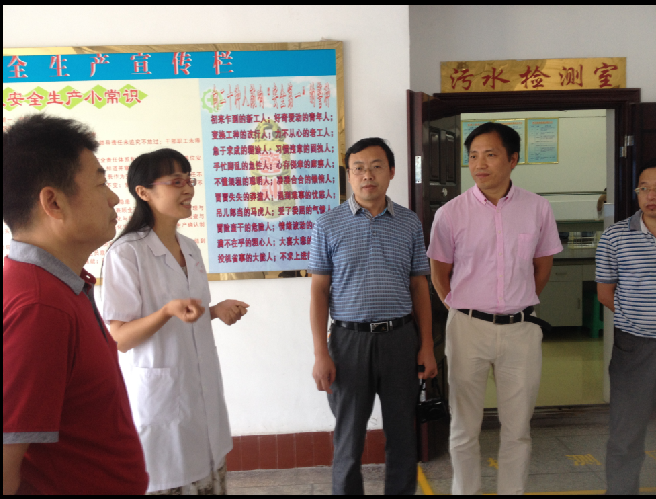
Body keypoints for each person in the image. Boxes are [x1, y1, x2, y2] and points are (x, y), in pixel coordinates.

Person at [3, 115, 148, 495]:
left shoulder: (57, 287)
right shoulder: (40, 308)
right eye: (101, 184)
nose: (114, 198)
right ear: (53, 202)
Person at [101, 148, 249, 495]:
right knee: (171, 481)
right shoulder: (126, 253)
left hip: (202, 396)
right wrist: (166, 311)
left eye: (189, 180)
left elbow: (188, 312)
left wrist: (214, 311)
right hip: (161, 403)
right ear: (144, 192)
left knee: (209, 478)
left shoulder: (190, 247)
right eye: (176, 182)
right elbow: (120, 337)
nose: (188, 189)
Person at [427, 122, 562, 495]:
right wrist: (459, 308)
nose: (479, 164)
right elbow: (439, 271)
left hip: (521, 330)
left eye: (490, 155)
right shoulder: (450, 213)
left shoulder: (537, 209)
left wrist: (519, 302)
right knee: (464, 427)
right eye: (473, 156)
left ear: (513, 159)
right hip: (467, 328)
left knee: (518, 429)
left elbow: (543, 265)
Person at [308, 137, 437, 495]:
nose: (368, 175)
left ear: (391, 171)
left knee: (403, 435)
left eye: (376, 167)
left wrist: (426, 345)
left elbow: (419, 286)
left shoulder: (409, 223)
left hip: (400, 340)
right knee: (348, 438)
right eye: (359, 168)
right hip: (348, 343)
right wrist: (320, 353)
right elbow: (318, 292)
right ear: (349, 175)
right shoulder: (328, 224)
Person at [596, 159, 656, 495]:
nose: (651, 196)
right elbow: (606, 293)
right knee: (626, 435)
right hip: (634, 346)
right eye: (644, 188)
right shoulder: (616, 236)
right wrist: (640, 316)